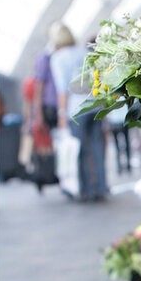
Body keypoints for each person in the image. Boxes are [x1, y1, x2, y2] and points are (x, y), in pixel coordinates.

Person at [50, 23, 107, 201]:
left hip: (76, 109)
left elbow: (62, 88)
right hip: (94, 103)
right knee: (97, 147)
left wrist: (61, 114)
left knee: (80, 150)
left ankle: (86, 190)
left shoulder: (58, 58)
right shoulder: (83, 52)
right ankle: (102, 187)